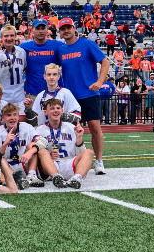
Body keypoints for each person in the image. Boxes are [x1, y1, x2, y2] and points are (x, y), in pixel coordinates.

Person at [57, 18, 108, 174]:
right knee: (71, 130)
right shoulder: (61, 49)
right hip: (70, 97)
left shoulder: (87, 44)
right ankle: (74, 160)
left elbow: (105, 62)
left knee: (95, 128)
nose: (66, 31)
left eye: (68, 27)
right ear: (60, 32)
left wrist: (100, 81)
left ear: (74, 28)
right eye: (63, 28)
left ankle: (99, 161)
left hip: (89, 94)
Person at [36, 98, 94, 189]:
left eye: (58, 108)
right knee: (42, 152)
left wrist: (79, 138)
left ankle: (76, 178)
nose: (55, 110)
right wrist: (48, 155)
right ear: (45, 112)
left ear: (62, 111)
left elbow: (80, 153)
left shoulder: (71, 127)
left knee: (89, 152)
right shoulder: (39, 130)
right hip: (50, 165)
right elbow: (36, 153)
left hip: (68, 163)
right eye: (52, 108)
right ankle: (56, 177)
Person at [0, 102, 40, 187]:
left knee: (33, 145)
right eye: (9, 115)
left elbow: (42, 142)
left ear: (18, 116)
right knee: (0, 160)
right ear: (3, 118)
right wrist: (5, 144)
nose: (12, 118)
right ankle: (14, 180)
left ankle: (32, 176)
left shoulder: (27, 127)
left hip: (25, 164)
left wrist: (29, 152)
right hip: (6, 167)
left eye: (15, 115)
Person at [0, 25, 27, 114]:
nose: (9, 38)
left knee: (20, 125)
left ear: (16, 36)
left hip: (19, 97)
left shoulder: (21, 52)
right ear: (1, 37)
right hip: (1, 99)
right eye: (6, 36)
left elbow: (25, 69)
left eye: (11, 35)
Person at [19, 18, 62, 101]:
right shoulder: (24, 47)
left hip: (55, 93)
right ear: (32, 30)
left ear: (47, 30)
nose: (41, 31)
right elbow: (10, 50)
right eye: (38, 29)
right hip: (33, 94)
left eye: (43, 28)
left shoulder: (57, 45)